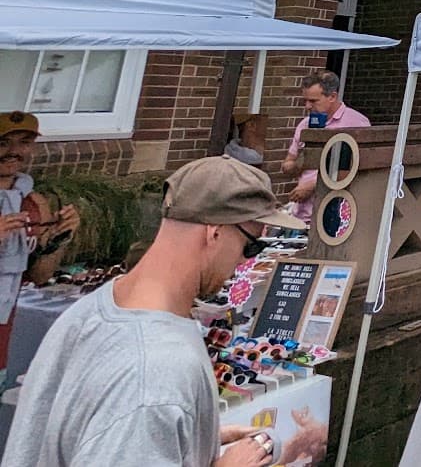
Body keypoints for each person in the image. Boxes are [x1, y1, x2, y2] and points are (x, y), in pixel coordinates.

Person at [3, 156, 305, 467]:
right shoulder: (155, 375)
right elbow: (141, 404)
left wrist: (182, 440)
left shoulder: (94, 308)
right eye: (251, 246)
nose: (247, 263)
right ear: (214, 232)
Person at [0, 111, 80, 382]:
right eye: (3, 143)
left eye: (23, 143)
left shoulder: (34, 202)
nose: (13, 152)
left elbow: (40, 275)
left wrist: (59, 237)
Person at [280, 71, 369, 222]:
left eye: (313, 101)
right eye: (305, 101)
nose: (308, 106)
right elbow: (287, 164)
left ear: (332, 97)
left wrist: (313, 185)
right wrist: (298, 165)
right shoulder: (305, 124)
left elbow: (358, 169)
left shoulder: (356, 123)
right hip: (303, 212)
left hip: (335, 212)